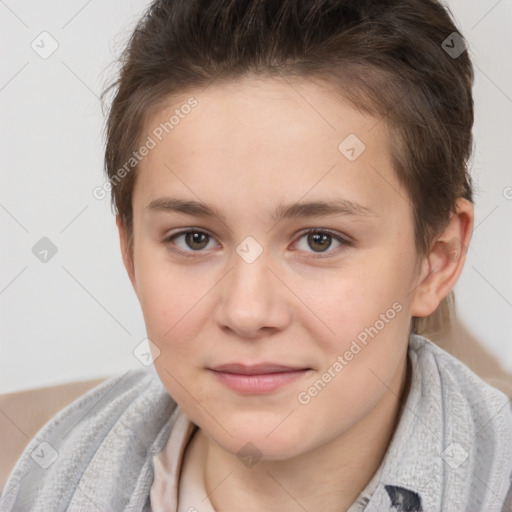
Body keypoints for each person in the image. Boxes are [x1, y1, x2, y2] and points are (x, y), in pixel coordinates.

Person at [2, 0, 512, 510]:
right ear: (131, 253)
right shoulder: (31, 477)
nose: (247, 312)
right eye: (194, 239)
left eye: (319, 240)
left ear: (436, 259)